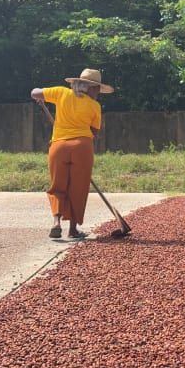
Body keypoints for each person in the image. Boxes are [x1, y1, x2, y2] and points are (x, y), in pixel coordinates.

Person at [31, 68, 114, 239]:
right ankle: (73, 230)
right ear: (92, 88)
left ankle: (56, 222)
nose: (98, 92)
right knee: (78, 188)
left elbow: (35, 93)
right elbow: (95, 133)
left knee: (57, 186)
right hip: (82, 147)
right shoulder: (94, 106)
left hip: (59, 146)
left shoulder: (61, 93)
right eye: (97, 89)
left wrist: (43, 97)